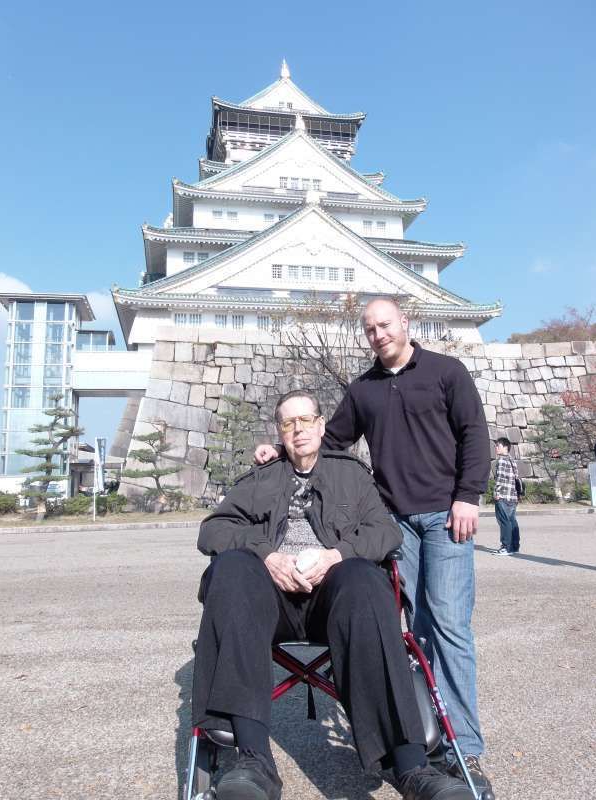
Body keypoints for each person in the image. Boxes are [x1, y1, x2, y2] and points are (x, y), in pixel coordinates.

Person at [255, 299, 493, 796]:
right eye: (370, 328)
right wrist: (281, 448)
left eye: (385, 324)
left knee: (448, 624)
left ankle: (461, 749)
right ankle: (421, 734)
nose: (378, 334)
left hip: (447, 514)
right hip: (393, 522)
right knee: (408, 630)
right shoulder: (363, 390)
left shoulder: (448, 372)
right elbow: (331, 439)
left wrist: (467, 496)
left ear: (406, 323)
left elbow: (475, 435)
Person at [193, 389, 475, 800]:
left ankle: (412, 767)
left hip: (334, 598)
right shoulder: (261, 478)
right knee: (232, 568)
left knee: (364, 580)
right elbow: (211, 530)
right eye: (289, 423)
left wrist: (336, 555)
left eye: (306, 420)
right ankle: (252, 760)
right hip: (269, 600)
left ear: (322, 426)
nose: (298, 429)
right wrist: (267, 556)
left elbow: (385, 532)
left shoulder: (352, 475)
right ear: (279, 432)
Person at [492, 437, 520, 555]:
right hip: (513, 496)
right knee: (512, 521)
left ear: (505, 447)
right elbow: (516, 478)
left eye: (498, 446)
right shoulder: (512, 460)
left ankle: (506, 547)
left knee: (504, 521)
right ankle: (514, 546)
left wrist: (496, 493)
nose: (496, 448)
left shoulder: (501, 461)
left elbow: (500, 479)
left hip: (503, 495)